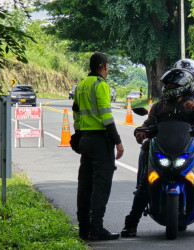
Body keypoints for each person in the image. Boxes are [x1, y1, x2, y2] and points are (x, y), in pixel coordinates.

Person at [121, 67, 194, 237]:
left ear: (184, 85)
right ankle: (132, 223)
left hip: (188, 149)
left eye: (171, 84)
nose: (167, 87)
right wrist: (141, 131)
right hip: (163, 149)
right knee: (145, 183)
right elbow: (149, 122)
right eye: (166, 85)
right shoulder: (160, 105)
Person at [135, 58, 194, 187]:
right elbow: (150, 122)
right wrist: (141, 131)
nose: (172, 85)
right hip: (164, 143)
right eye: (171, 83)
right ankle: (141, 183)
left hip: (189, 142)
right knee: (146, 146)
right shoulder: (162, 103)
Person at [72, 52, 124, 241]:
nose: (108, 68)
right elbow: (106, 116)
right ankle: (97, 227)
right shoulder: (100, 85)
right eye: (108, 65)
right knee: (101, 185)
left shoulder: (81, 85)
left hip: (85, 139)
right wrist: (118, 141)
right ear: (103, 66)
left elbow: (76, 114)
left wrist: (78, 136)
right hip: (100, 141)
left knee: (85, 184)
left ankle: (83, 228)